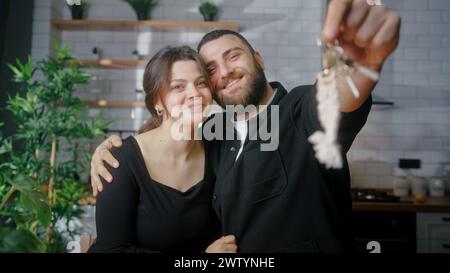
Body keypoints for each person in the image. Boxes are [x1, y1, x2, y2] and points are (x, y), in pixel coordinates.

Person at [90, 0, 401, 252]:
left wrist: (359, 67)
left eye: (233, 56)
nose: (225, 72)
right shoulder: (215, 136)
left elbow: (335, 99)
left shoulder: (299, 110)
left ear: (259, 59)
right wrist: (112, 150)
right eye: (210, 69)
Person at [88, 46, 237, 253]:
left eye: (201, 83)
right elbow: (112, 250)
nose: (194, 93)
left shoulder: (219, 144)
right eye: (178, 87)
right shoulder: (120, 160)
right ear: (157, 102)